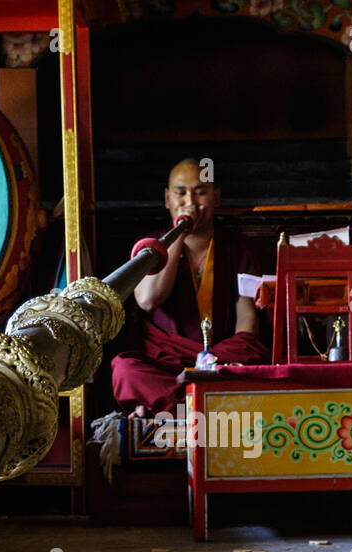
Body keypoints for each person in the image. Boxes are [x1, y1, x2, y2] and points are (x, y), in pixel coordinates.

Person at [110, 159, 269, 416]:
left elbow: (247, 322)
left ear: (216, 197)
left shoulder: (238, 249)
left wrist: (219, 362)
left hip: (219, 362)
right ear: (166, 199)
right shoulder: (152, 249)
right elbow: (148, 300)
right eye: (180, 192)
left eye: (200, 192)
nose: (190, 202)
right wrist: (179, 234)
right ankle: (209, 408)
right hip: (167, 366)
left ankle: (173, 408)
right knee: (125, 369)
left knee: (253, 356)